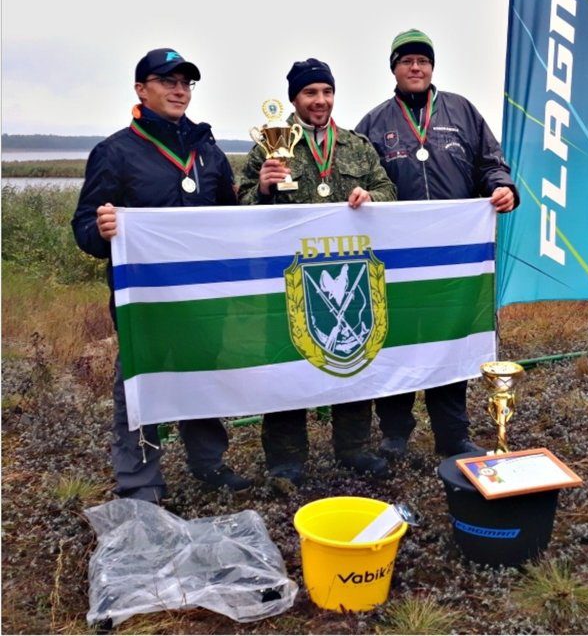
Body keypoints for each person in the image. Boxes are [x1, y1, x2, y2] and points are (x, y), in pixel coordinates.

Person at [72, 47, 252, 504]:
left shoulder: (208, 152)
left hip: (204, 298)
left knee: (203, 377)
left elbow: (231, 221)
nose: (179, 90)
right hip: (146, 303)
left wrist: (265, 195)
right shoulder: (114, 152)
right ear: (141, 89)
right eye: (167, 81)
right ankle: (140, 480)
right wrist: (102, 229)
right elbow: (84, 227)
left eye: (185, 83)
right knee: (139, 388)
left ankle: (208, 463)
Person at [355, 29, 519, 459]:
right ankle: (395, 433)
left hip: (454, 260)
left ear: (432, 67)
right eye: (406, 61)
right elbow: (356, 182)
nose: (416, 67)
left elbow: (491, 163)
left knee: (450, 343)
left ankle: (453, 435)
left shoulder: (462, 112)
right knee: (396, 343)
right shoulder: (373, 123)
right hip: (394, 262)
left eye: (423, 61)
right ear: (394, 69)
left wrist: (502, 187)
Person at [238, 58, 397, 485]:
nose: (320, 100)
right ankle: (286, 458)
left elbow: (388, 188)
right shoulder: (268, 146)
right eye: (310, 93)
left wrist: (373, 197)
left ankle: (354, 447)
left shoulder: (357, 145)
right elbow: (240, 206)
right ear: (294, 98)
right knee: (286, 359)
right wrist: (264, 187)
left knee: (353, 354)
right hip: (290, 279)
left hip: (349, 274)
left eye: (326, 92)